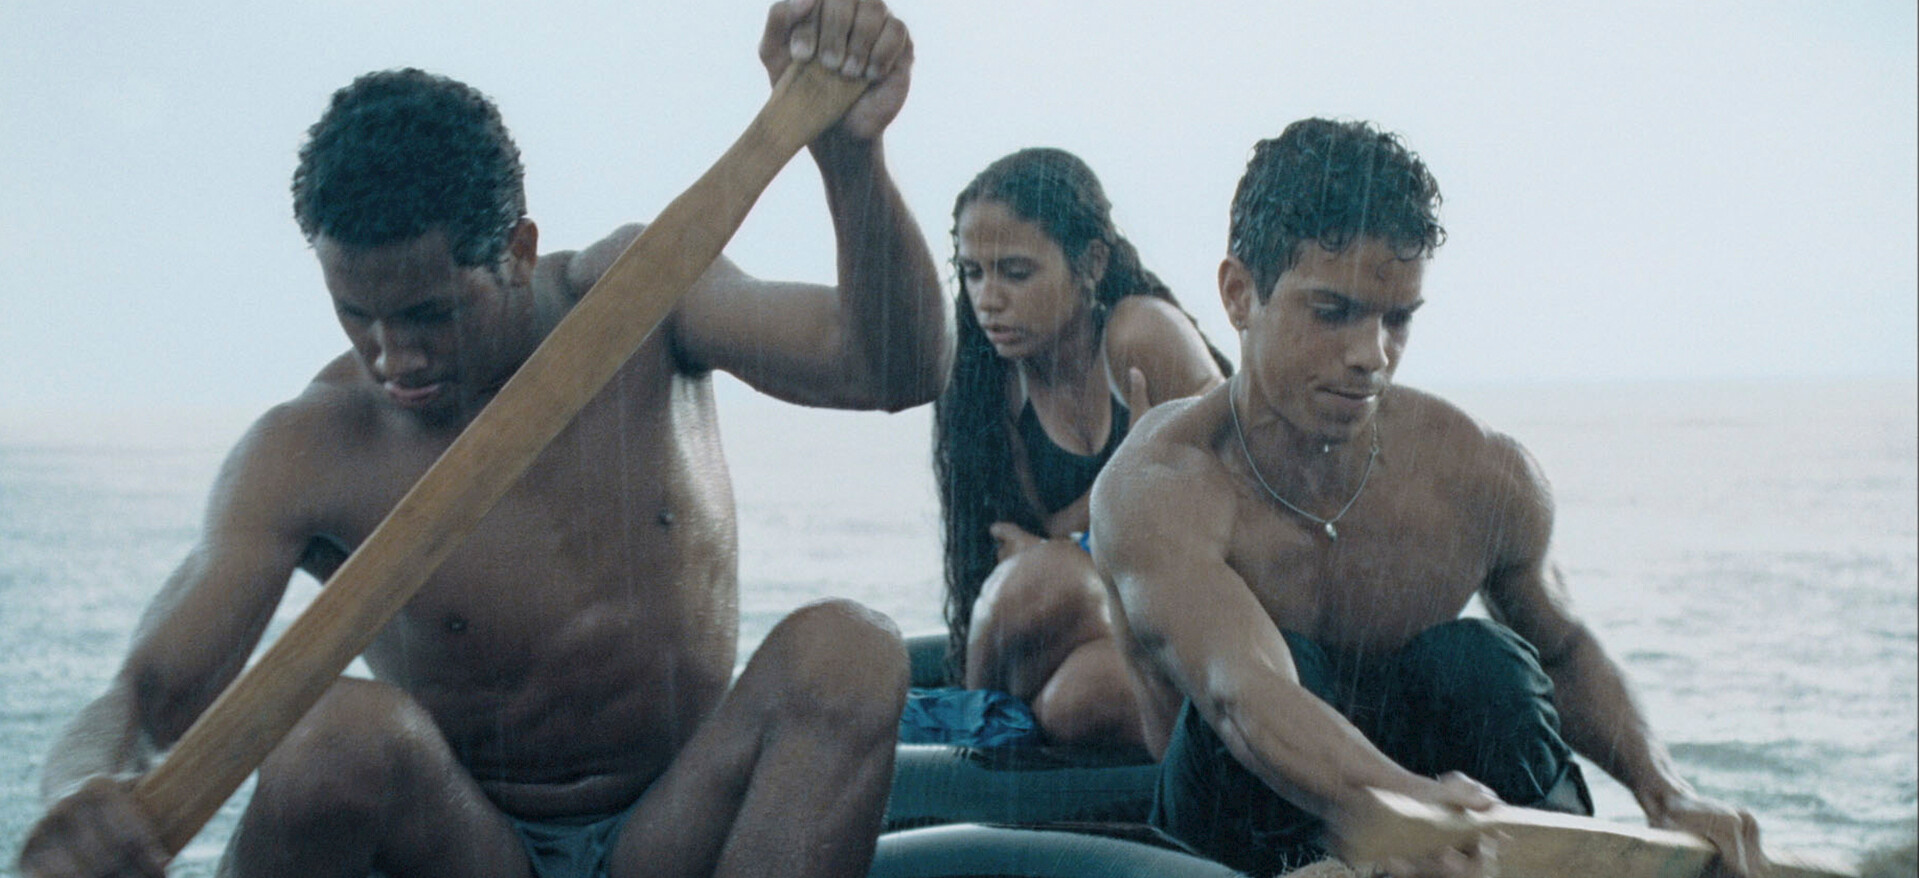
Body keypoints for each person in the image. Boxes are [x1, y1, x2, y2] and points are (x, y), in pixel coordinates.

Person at [15, 2, 948, 877]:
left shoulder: (639, 296)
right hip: (468, 847)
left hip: (678, 824)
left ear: (519, 250)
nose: (394, 357)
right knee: (335, 731)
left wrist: (848, 158)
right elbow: (147, 698)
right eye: (357, 315)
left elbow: (895, 371)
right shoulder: (308, 451)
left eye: (429, 313)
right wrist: (80, 790)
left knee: (851, 652)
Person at [1090, 118, 1766, 877]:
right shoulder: (1160, 485)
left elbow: (1565, 651)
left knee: (1480, 664)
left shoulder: (1480, 475)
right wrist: (1408, 808)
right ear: (1240, 294)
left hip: (1440, 813)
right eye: (1332, 312)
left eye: (1397, 319)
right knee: (1293, 666)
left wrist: (1666, 793)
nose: (1370, 355)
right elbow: (1240, 695)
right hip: (1239, 833)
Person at [931, 148, 1228, 755]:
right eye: (973, 273)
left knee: (1048, 588)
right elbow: (1011, 548)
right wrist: (1119, 502)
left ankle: (973, 739)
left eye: (1016, 273)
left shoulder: (1142, 334)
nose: (988, 299)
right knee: (1070, 690)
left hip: (1201, 614)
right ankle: (974, 757)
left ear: (1091, 263)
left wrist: (1083, 534)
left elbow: (1243, 489)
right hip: (1090, 625)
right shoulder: (990, 385)